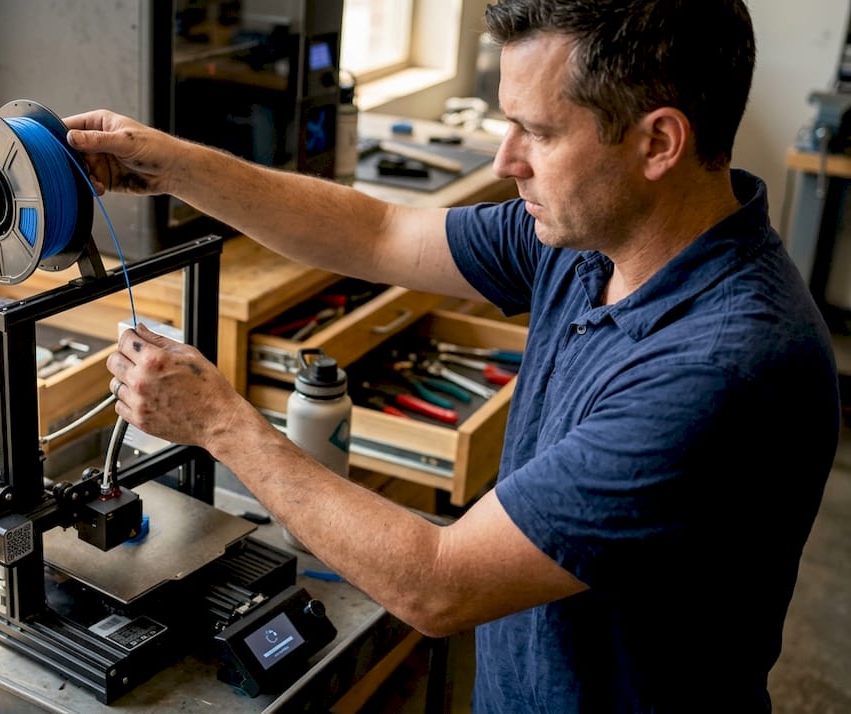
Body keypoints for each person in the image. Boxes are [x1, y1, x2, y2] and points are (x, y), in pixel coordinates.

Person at [65, 0, 840, 710]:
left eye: (539, 133)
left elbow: (439, 584)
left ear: (659, 142)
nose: (506, 161)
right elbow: (377, 234)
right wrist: (172, 166)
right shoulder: (594, 242)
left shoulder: (722, 370)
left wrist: (222, 424)